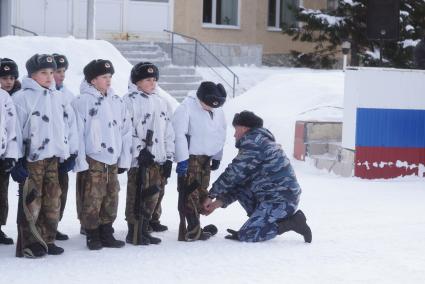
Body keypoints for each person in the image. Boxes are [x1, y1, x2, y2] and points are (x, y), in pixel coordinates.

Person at [203, 111, 312, 243]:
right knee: (241, 183)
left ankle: (293, 222)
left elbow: (233, 173)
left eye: (236, 129)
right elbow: (239, 183)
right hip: (269, 196)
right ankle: (265, 220)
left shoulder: (255, 144)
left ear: (244, 128)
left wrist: (210, 195)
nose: (234, 134)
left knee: (248, 235)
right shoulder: (257, 141)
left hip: (281, 200)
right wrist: (217, 203)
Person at [11, 54, 79, 257]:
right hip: (31, 159)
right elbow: (14, 130)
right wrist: (15, 159)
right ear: (32, 75)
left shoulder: (59, 97)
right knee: (32, 201)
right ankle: (29, 243)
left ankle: (47, 238)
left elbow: (69, 127)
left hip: (53, 159)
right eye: (44, 73)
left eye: (52, 72)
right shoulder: (22, 98)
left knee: (52, 199)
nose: (50, 77)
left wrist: (70, 153)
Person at [72, 59, 132, 250]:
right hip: (93, 158)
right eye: (104, 77)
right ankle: (91, 232)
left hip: (112, 159)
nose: (109, 80)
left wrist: (124, 159)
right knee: (92, 197)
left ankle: (107, 231)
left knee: (111, 196)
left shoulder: (117, 101)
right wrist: (80, 160)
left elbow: (125, 130)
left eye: (110, 76)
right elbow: (78, 134)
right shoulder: (82, 102)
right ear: (92, 80)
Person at [123, 62, 174, 245]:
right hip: (141, 160)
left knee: (152, 195)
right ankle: (134, 229)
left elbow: (168, 132)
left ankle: (145, 227)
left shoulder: (162, 102)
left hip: (158, 158)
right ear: (137, 82)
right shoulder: (129, 101)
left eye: (154, 79)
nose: (152, 83)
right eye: (147, 80)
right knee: (137, 194)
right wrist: (139, 150)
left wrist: (168, 157)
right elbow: (127, 130)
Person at [172, 81, 227, 241]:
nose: (210, 108)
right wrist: (182, 159)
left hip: (206, 159)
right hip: (191, 158)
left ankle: (196, 225)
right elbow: (178, 135)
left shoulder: (217, 110)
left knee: (202, 192)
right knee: (189, 192)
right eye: (207, 105)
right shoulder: (185, 108)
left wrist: (217, 156)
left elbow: (220, 133)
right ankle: (193, 229)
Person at [52, 53, 75, 241]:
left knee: (61, 192)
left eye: (63, 71)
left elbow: (72, 127)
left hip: (64, 154)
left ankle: (54, 225)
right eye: (58, 71)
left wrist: (72, 153)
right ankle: (39, 227)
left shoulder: (68, 95)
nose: (62, 75)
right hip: (47, 154)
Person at [0, 87, 20, 245]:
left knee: (1, 194)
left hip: (1, 155)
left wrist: (10, 154)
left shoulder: (4, 96)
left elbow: (11, 128)